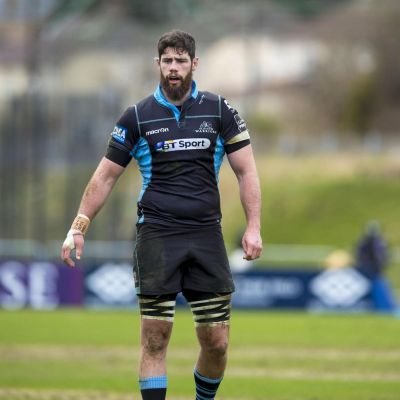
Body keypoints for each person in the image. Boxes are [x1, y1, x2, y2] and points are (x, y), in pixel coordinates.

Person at [61, 30, 262, 400]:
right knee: (155, 338)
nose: (173, 67)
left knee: (217, 341)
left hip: (206, 234)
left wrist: (253, 227)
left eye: (181, 60)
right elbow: (105, 176)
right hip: (157, 235)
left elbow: (246, 171)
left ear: (194, 64)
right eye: (167, 60)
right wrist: (78, 226)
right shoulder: (137, 117)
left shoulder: (220, 110)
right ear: (158, 63)